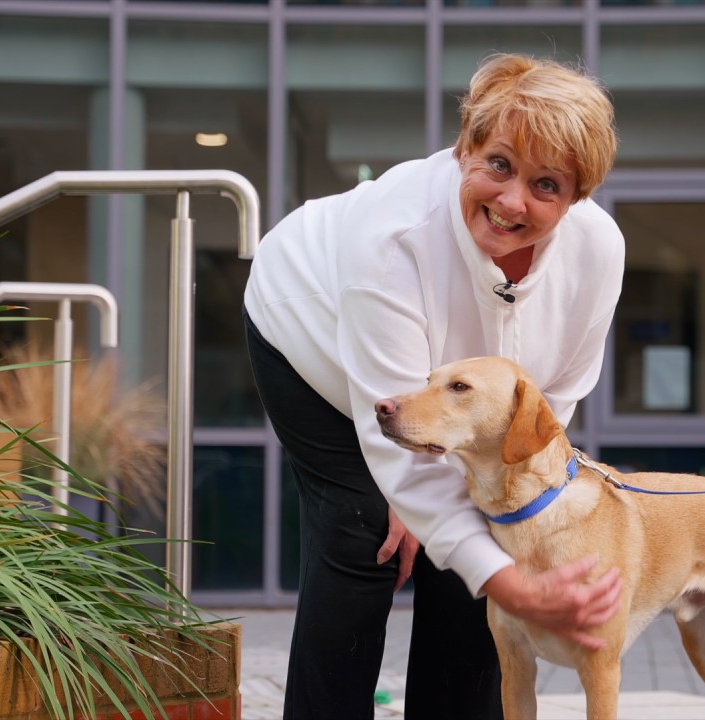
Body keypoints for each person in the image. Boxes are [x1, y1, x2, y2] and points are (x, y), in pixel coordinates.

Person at [243, 52, 626, 719]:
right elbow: (394, 444)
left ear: (576, 197)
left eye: (546, 185)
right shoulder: (391, 240)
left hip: (454, 402)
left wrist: (489, 549)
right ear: (462, 149)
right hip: (313, 336)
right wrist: (505, 578)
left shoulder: (598, 253)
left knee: (476, 554)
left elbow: (543, 410)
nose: (512, 202)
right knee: (367, 535)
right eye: (498, 164)